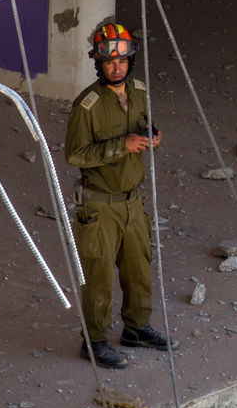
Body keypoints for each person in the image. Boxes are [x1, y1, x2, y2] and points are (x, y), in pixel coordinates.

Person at [64, 22, 177, 369]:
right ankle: (94, 341)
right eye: (110, 62)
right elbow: (75, 155)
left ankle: (137, 328)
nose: (118, 67)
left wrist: (151, 135)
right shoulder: (87, 105)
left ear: (131, 61)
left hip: (133, 201)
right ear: (98, 63)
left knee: (138, 268)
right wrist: (120, 146)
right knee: (99, 275)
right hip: (100, 206)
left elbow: (142, 123)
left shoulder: (139, 91)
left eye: (123, 61)